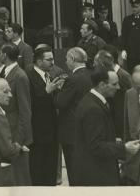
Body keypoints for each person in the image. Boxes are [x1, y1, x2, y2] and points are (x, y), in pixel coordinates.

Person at [73, 69, 140, 186]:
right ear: (102, 85)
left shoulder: (92, 101)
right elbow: (96, 146)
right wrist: (124, 148)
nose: (118, 87)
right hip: (96, 175)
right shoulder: (93, 109)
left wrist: (112, 140)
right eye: (114, 84)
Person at [53, 47, 91, 185]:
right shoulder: (91, 74)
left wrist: (57, 89)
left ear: (73, 59)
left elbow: (60, 103)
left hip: (71, 131)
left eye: (67, 59)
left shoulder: (73, 79)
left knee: (74, 171)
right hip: (87, 128)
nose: (66, 61)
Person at [26, 45, 61, 186]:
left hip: (52, 131)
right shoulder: (29, 77)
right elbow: (30, 104)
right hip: (38, 132)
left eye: (53, 59)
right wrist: (47, 92)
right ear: (39, 62)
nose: (52, 62)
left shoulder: (50, 75)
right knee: (39, 170)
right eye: (49, 60)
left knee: (50, 169)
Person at [0, 44, 32, 185]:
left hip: (15, 132)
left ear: (4, 55)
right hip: (5, 129)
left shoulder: (20, 76)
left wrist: (19, 139)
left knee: (19, 176)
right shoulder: (3, 72)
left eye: (0, 53)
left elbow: (25, 110)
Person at [94, 47, 131, 138]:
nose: (94, 66)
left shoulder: (122, 76)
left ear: (102, 64)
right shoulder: (108, 75)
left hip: (120, 123)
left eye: (95, 64)